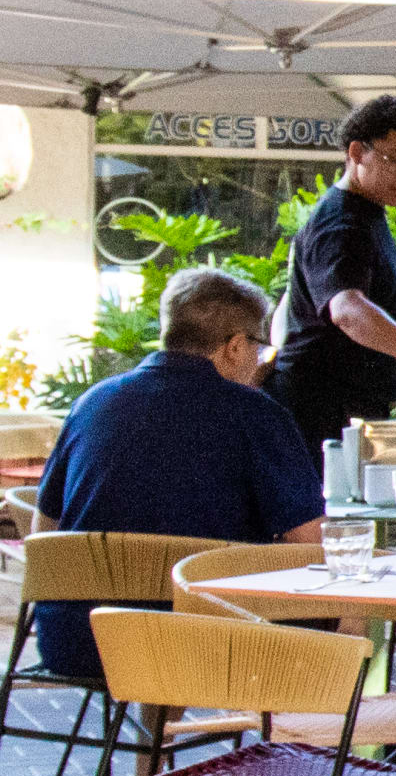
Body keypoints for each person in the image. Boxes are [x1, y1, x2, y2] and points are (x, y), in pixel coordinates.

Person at [27, 266, 325, 686]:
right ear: (236, 346)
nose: (261, 360)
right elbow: (310, 544)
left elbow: (46, 531)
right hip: (201, 639)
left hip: (79, 640)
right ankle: (327, 740)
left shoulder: (93, 402)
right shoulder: (254, 414)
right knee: (348, 607)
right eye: (260, 347)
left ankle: (152, 747)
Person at [268, 95, 396, 450]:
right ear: (356, 152)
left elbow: (288, 307)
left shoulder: (363, 214)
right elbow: (347, 310)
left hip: (339, 408)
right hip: (320, 413)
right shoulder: (342, 223)